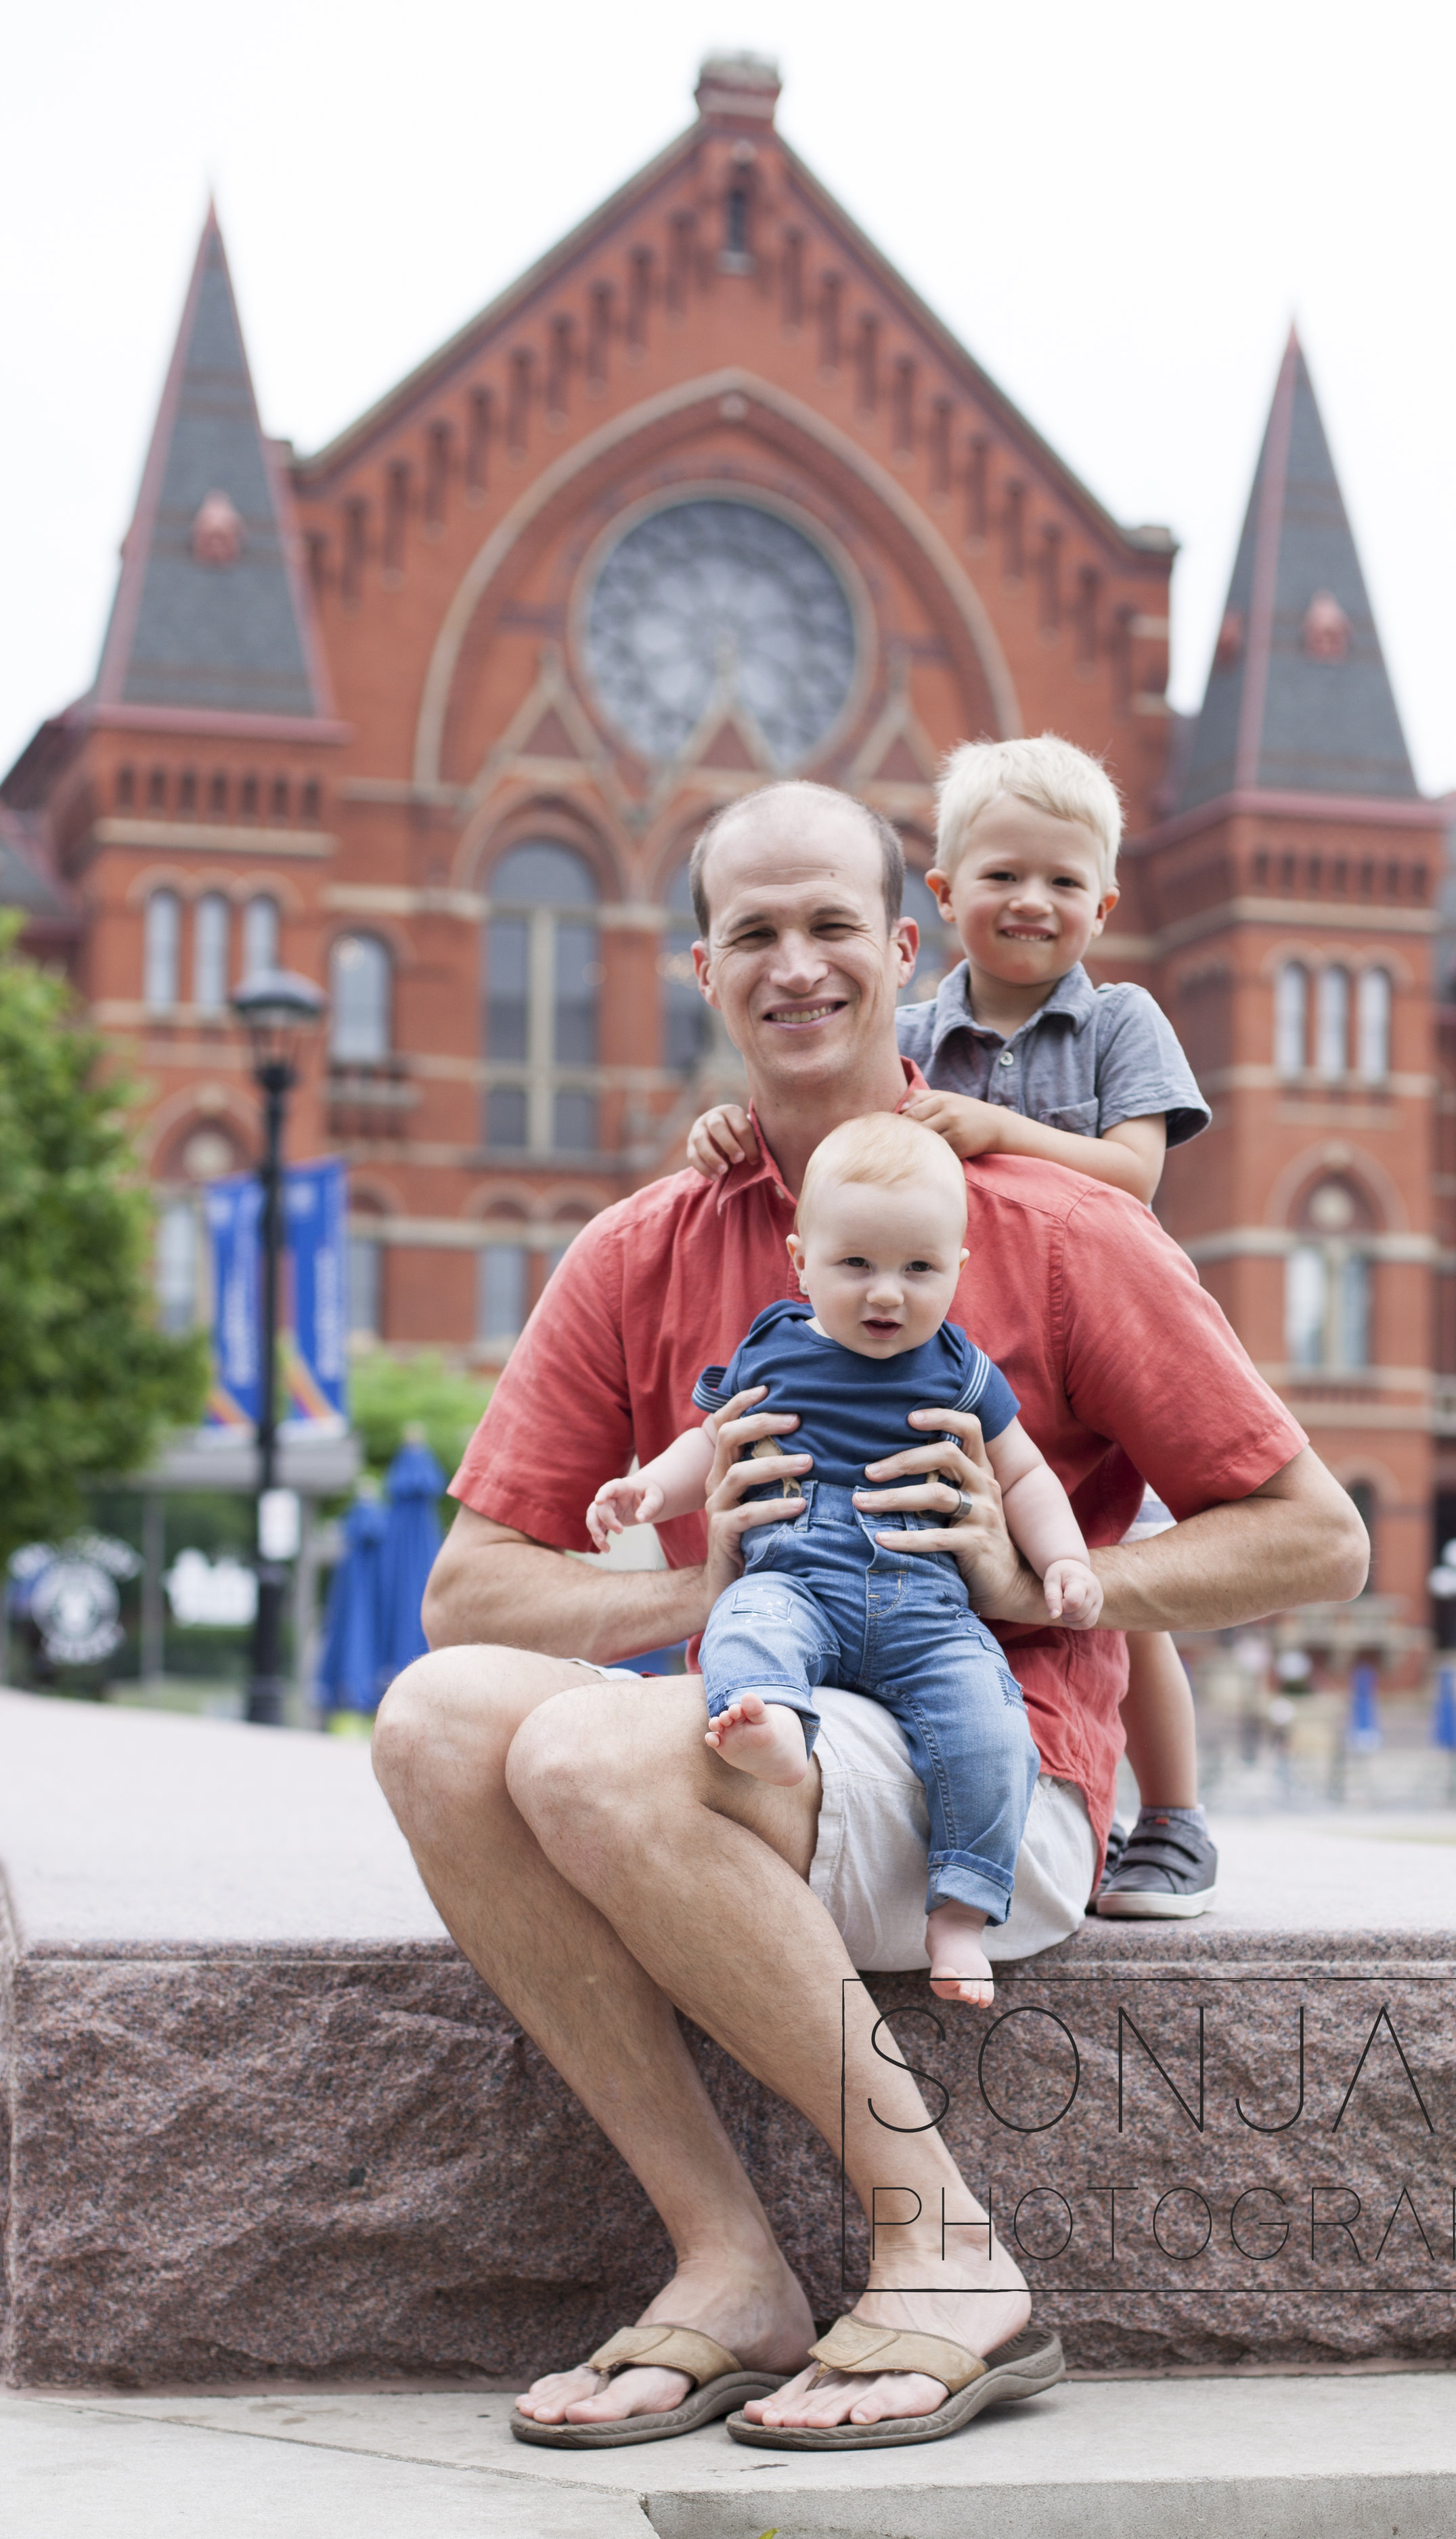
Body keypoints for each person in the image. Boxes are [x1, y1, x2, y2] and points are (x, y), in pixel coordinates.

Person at [372, 780, 1367, 2450]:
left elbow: (1314, 1538)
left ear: (901, 951)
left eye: (831, 924)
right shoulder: (638, 1246)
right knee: (433, 1720)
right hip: (760, 1751)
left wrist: (1034, 1576)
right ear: (701, 969)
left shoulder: (1052, 1226)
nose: (795, 966)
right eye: (751, 933)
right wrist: (702, 1580)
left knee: (600, 1759)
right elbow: (466, 1590)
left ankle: (945, 2251)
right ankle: (729, 2267)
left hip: (999, 1785)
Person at [688, 733, 1218, 1919]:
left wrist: (998, 1132)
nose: (1032, 902)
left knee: (1126, 1592)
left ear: (1103, 901)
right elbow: (851, 1120)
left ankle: (1177, 1818)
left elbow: (1131, 1175)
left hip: (1116, 1332)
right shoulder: (915, 1026)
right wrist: (732, 1126)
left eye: (1064, 882)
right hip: (938, 1323)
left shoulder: (1121, 1021)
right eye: (1001, 876)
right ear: (940, 898)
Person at [588, 1109, 1102, 2005]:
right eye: (855, 1264)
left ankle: (960, 1913)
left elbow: (1025, 1478)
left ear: (958, 1269)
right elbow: (707, 1440)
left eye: (919, 1269)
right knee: (745, 1622)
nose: (887, 1295)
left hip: (928, 1605)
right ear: (801, 1260)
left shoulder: (961, 1369)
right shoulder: (776, 1347)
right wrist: (648, 1492)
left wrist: (1063, 1560)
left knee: (990, 1726)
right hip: (800, 1576)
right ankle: (776, 1729)